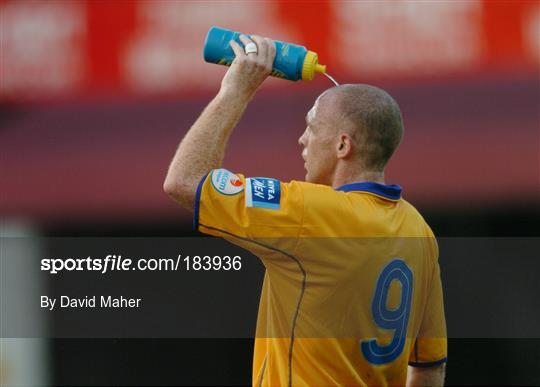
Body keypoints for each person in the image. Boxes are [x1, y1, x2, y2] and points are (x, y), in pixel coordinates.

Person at [164, 34, 447, 386]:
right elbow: (429, 367)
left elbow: (184, 181)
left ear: (343, 144)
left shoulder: (307, 212)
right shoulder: (419, 231)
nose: (302, 139)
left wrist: (236, 90)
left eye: (311, 128)